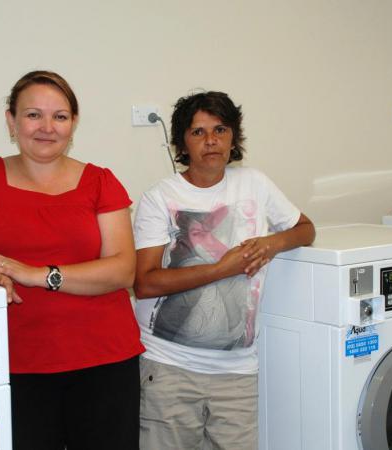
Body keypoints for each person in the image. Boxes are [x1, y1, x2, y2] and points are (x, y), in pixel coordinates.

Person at [0, 70, 143, 450]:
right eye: (34, 114)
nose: (47, 127)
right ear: (11, 120)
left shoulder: (100, 181)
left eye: (60, 116)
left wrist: (36, 275)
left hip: (104, 360)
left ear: (73, 124)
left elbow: (122, 269)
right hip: (17, 361)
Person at [133, 91, 315, 449]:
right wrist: (222, 268)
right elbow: (145, 283)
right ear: (182, 143)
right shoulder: (160, 197)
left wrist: (271, 243)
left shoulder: (255, 184)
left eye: (220, 129)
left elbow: (305, 229)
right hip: (169, 369)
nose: (211, 141)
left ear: (234, 138)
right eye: (198, 132)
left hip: (237, 372)